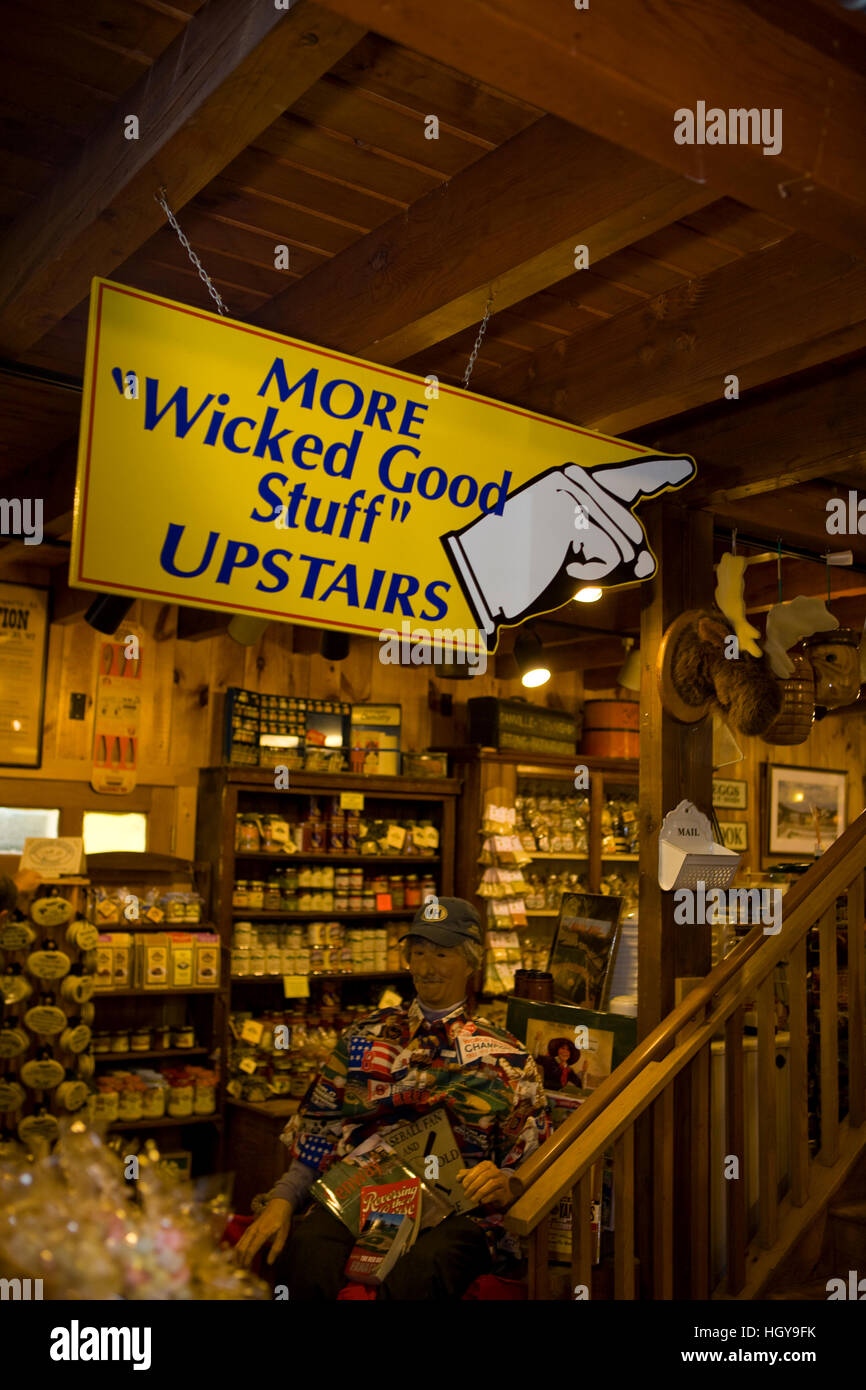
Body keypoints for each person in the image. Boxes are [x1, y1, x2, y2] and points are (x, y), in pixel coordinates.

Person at [235, 896, 551, 1299]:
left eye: (441, 953)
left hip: (457, 1215)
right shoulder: (364, 1036)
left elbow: (530, 1161)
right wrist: (282, 1198)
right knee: (306, 1250)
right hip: (358, 1198)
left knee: (423, 1269)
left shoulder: (506, 1057)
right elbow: (320, 1129)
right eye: (417, 952)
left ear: (471, 963)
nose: (425, 966)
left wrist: (507, 1183)